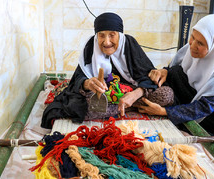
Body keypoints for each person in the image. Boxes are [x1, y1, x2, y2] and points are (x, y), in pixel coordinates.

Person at [41, 12, 173, 129]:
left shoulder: (129, 44)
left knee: (166, 94)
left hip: (131, 91)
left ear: (119, 35)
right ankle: (129, 107)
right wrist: (87, 83)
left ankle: (128, 104)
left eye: (112, 35)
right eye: (101, 35)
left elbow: (148, 75)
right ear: (96, 36)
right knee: (83, 105)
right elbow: (78, 79)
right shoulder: (91, 47)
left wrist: (135, 94)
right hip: (105, 95)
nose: (107, 42)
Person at [137, 14, 214, 145]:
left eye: (201, 43)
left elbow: (206, 106)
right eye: (192, 37)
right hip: (199, 93)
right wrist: (165, 71)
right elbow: (177, 68)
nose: (192, 45)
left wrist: (164, 112)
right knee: (174, 73)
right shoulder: (192, 46)